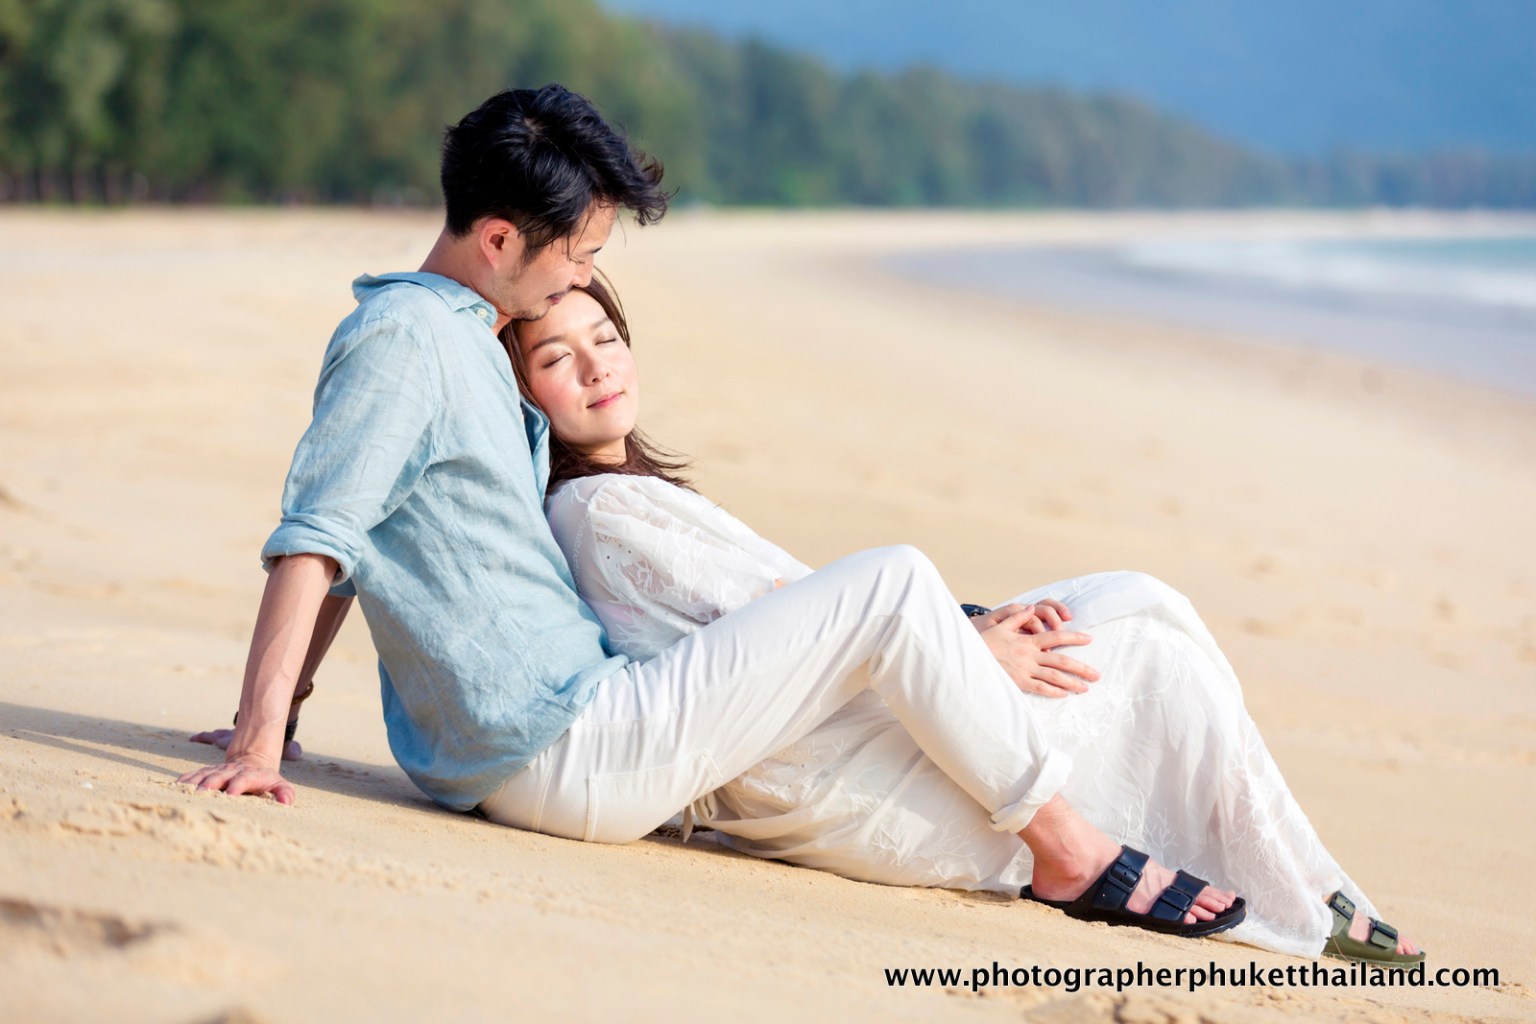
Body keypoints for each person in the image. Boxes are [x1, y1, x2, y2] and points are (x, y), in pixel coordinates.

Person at [179, 82, 1254, 945]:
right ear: (500, 240)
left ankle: (1036, 779)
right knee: (889, 580)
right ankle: (1069, 849)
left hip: (561, 735)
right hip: (570, 740)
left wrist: (286, 709)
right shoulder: (407, 340)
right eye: (580, 257)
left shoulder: (461, 333)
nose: (583, 282)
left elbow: (360, 544)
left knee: (900, 607)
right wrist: (263, 743)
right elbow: (320, 533)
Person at [499, 272, 1423, 964]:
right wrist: (970, 646)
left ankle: (1307, 891)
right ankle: (1304, 904)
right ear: (526, 395)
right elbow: (780, 637)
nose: (596, 366)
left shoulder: (628, 493)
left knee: (1137, 599)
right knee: (1153, 647)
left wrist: (978, 627)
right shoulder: (598, 512)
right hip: (840, 770)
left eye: (605, 336)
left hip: (852, 717)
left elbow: (801, 622)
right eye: (556, 357)